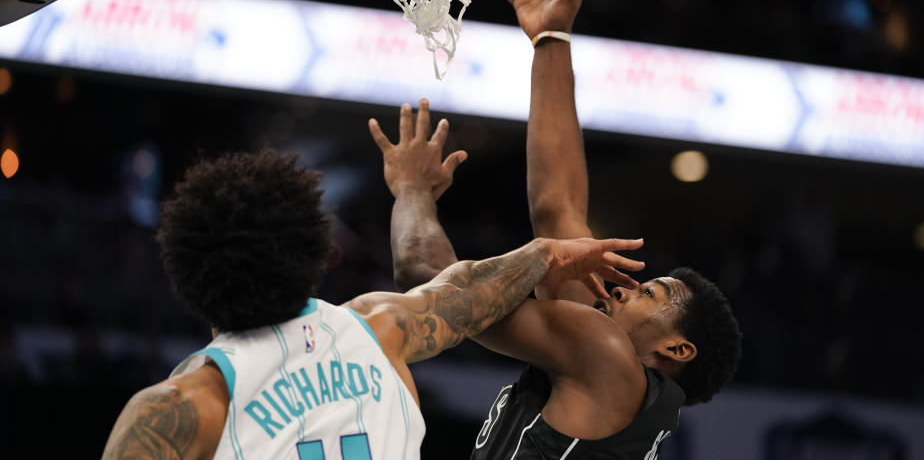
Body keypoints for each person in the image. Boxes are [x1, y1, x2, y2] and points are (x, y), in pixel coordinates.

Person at [369, 0, 742, 459]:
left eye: (648, 292)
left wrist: (412, 189)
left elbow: (425, 275)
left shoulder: (604, 352)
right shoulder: (609, 370)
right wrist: (552, 37)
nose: (624, 286)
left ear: (675, 349)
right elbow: (557, 206)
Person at [100, 147, 645, 460]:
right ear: (316, 250)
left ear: (185, 273)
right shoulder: (379, 331)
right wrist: (547, 252)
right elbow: (470, 291)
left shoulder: (180, 408)